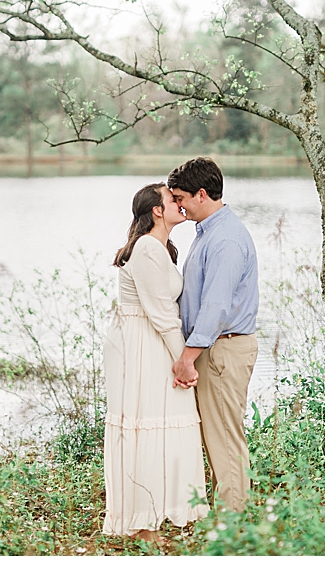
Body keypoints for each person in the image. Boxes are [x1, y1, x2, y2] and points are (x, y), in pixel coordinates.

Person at [102, 183, 208, 542]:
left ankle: (160, 513)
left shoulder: (161, 248)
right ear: (157, 211)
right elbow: (162, 313)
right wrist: (184, 360)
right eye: (172, 199)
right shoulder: (147, 247)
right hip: (142, 344)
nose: (180, 203)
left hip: (153, 339)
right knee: (146, 424)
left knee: (164, 424)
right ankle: (143, 524)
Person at [167, 157, 260, 512]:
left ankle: (233, 523)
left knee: (224, 438)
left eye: (181, 198)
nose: (179, 206)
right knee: (215, 436)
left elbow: (216, 306)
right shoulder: (209, 232)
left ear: (202, 194)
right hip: (215, 347)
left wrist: (187, 358)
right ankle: (228, 515)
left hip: (224, 349)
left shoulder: (226, 240)